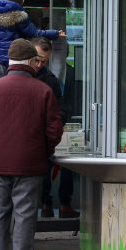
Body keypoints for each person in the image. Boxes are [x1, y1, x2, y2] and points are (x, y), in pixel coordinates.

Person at [0, 39, 63, 250]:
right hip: (30, 162)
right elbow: (55, 129)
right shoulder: (43, 90)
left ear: (10, 60)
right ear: (33, 61)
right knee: (24, 214)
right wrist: (43, 149)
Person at [32, 37, 76, 219]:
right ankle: (45, 203)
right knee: (43, 171)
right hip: (35, 134)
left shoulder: (53, 78)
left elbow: (61, 105)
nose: (40, 63)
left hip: (56, 129)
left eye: (44, 60)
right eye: (38, 59)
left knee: (68, 166)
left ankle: (64, 202)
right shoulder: (21, 75)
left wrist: (59, 123)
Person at [0, 0, 65, 68]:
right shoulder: (20, 17)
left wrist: (0, 53)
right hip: (19, 59)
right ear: (22, 2)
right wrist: (55, 34)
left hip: (2, 61)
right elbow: (34, 34)